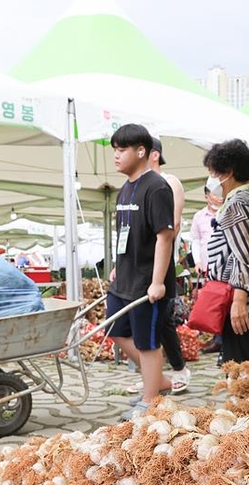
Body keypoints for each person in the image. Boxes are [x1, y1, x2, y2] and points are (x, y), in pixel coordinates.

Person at [106, 124, 176, 419]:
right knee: (116, 330)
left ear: (141, 151)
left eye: (122, 150)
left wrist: (158, 281)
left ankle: (150, 400)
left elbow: (165, 236)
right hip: (124, 278)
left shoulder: (157, 187)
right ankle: (157, 380)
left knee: (148, 343)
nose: (116, 156)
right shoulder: (125, 188)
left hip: (148, 281)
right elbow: (126, 232)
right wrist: (115, 266)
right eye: (115, 150)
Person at [204, 139, 249, 363]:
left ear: (229, 172)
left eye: (214, 172)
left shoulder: (238, 204)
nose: (213, 178)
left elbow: (243, 255)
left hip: (244, 305)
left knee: (240, 376)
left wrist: (239, 302)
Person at [148, 137, 190, 394]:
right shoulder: (135, 185)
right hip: (140, 266)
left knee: (163, 320)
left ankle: (178, 368)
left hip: (162, 262)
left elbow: (171, 227)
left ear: (153, 154)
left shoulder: (170, 182)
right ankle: (152, 376)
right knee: (141, 321)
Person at [190, 186, 223, 354]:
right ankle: (216, 336)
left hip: (225, 265)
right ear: (206, 196)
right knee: (212, 303)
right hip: (207, 267)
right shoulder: (199, 217)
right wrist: (197, 261)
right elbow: (195, 240)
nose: (218, 198)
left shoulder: (226, 212)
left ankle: (220, 339)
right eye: (215, 195)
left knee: (224, 301)